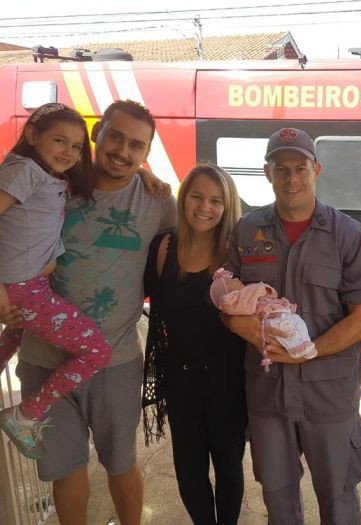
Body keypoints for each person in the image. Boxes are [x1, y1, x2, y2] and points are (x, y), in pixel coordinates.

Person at [4, 99, 176, 525]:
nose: (122, 150)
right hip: (43, 358)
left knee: (121, 464)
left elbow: (189, 256)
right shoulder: (57, 183)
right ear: (97, 135)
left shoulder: (157, 202)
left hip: (116, 361)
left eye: (137, 145)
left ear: (146, 153)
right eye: (115, 136)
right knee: (65, 471)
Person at [223, 127, 361, 524]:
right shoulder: (246, 232)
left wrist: (309, 350)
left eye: (300, 168)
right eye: (282, 169)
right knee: (278, 500)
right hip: (268, 397)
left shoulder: (348, 236)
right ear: (267, 173)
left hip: (328, 397)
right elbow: (227, 302)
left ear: (317, 170)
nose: (291, 178)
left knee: (337, 499)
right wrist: (256, 335)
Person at [0, 103, 112, 460]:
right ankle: (23, 416)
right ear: (33, 136)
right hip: (22, 288)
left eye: (77, 146)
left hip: (30, 283)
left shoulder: (49, 176)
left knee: (15, 333)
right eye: (59, 140)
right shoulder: (25, 170)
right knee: (96, 351)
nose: (69, 152)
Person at [142, 163, 247, 524]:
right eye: (197, 197)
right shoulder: (162, 247)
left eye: (216, 200)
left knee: (229, 468)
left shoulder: (237, 253)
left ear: (227, 205)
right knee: (189, 472)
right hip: (180, 378)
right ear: (183, 199)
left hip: (229, 381)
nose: (205, 207)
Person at [210, 269, 317, 361]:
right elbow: (234, 304)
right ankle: (293, 348)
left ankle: (305, 342)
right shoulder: (239, 300)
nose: (237, 279)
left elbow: (269, 293)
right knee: (284, 331)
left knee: (298, 321)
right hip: (270, 317)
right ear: (229, 292)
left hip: (281, 311)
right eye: (232, 281)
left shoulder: (247, 292)